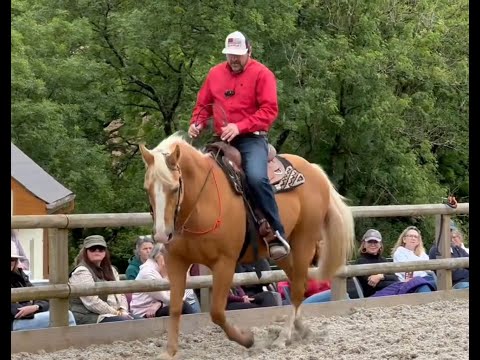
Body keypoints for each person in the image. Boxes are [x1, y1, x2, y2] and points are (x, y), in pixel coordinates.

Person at [188, 30, 290, 261]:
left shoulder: (262, 74)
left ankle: (276, 232)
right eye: (230, 55)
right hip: (221, 139)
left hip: (252, 138)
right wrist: (196, 123)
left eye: (238, 55)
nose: (233, 59)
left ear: (248, 52)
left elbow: (269, 111)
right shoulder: (214, 74)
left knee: (255, 177)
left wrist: (240, 126)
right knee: (194, 174)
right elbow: (203, 105)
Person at [69, 235, 142, 324]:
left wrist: (122, 309)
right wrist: (116, 313)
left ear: (105, 251)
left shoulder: (111, 270)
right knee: (125, 322)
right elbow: (92, 302)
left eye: (101, 248)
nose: (97, 251)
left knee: (141, 321)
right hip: (88, 315)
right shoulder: (81, 271)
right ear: (86, 251)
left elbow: (121, 294)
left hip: (113, 314)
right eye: (92, 248)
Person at [11, 241, 76, 330]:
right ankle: (71, 343)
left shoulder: (19, 276)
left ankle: (66, 342)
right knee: (65, 316)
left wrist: (36, 307)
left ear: (16, 261)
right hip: (14, 322)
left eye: (12, 259)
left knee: (63, 314)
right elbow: (17, 312)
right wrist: (33, 308)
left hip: (28, 317)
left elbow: (42, 296)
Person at [353, 229, 433, 298]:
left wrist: (380, 276)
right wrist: (386, 277)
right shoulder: (360, 262)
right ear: (364, 245)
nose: (373, 245)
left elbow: (395, 278)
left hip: (393, 290)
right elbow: (372, 282)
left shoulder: (383, 260)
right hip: (377, 295)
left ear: (380, 245)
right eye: (370, 242)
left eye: (376, 242)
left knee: (419, 283)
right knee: (418, 281)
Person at [130, 243, 200, 317]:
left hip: (157, 308)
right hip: (144, 313)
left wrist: (160, 303)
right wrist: (166, 276)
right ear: (158, 256)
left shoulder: (161, 268)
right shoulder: (148, 272)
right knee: (183, 306)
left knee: (184, 306)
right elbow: (171, 299)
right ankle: (197, 327)